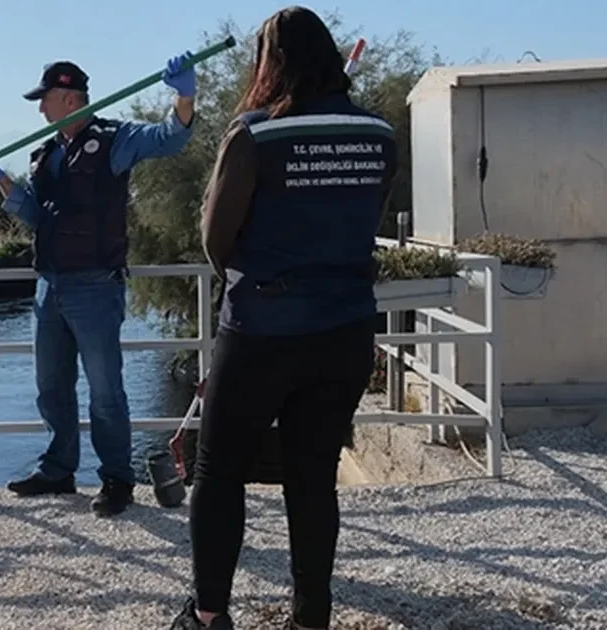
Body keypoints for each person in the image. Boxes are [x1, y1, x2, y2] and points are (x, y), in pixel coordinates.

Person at [169, 6, 398, 630]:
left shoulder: (253, 134)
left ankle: (210, 614)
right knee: (313, 475)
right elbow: (369, 217)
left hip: (263, 329)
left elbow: (217, 236)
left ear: (272, 62)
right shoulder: (378, 134)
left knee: (219, 471)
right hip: (346, 326)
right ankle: (310, 617)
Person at [0, 52, 197, 517]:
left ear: (69, 98)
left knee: (106, 391)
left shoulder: (114, 140)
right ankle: (58, 468)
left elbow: (169, 137)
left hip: (95, 287)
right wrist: (0, 180)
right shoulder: (44, 153)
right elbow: (34, 215)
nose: (40, 110)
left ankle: (116, 478)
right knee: (51, 386)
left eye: (44, 100)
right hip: (49, 286)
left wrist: (184, 95)